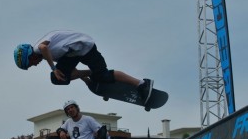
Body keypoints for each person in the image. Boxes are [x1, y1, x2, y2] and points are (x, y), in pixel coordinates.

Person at [14, 30, 153, 104]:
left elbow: (43, 47)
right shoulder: (45, 54)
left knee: (103, 75)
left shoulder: (40, 48)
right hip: (74, 54)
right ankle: (93, 77)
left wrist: (54, 69)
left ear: (30, 56)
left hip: (86, 47)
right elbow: (70, 68)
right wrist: (87, 81)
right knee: (57, 78)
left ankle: (142, 84)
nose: (35, 65)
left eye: (31, 63)